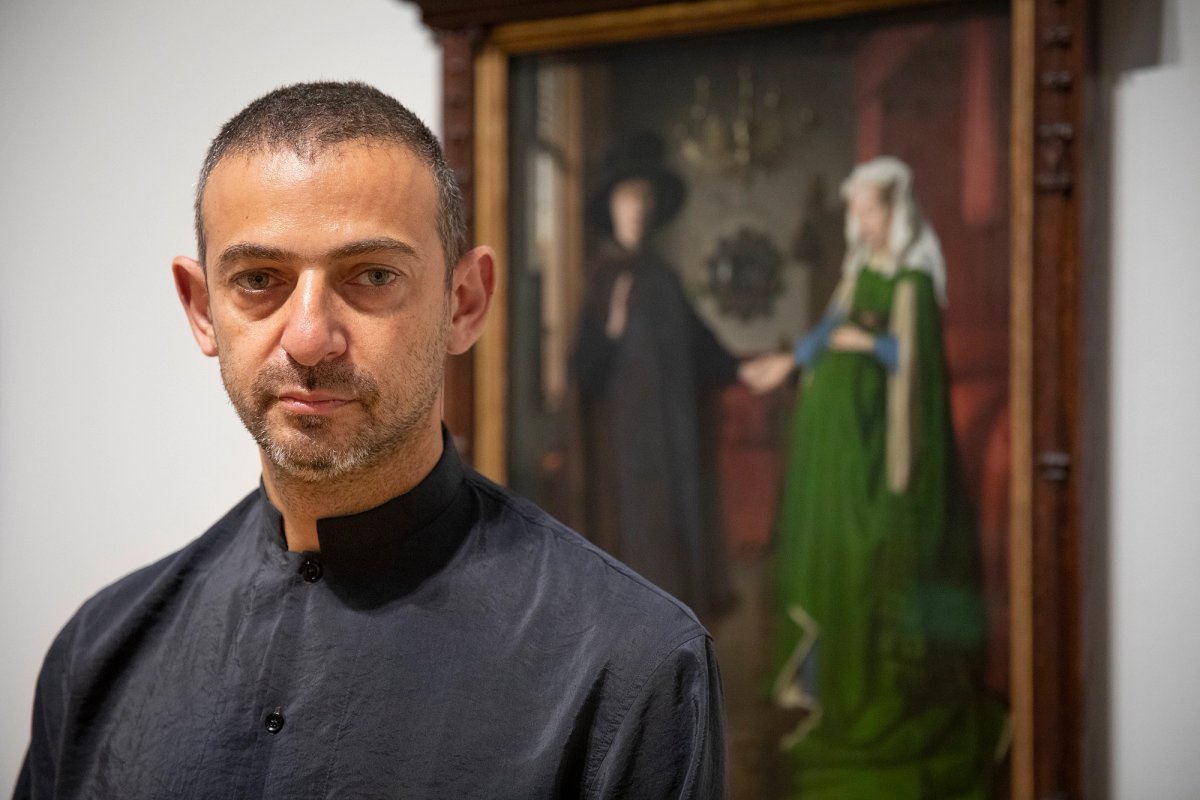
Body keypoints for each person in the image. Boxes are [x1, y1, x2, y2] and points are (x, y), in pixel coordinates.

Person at [14, 82, 726, 799]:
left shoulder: (631, 665)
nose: (309, 337)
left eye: (373, 275)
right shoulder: (95, 657)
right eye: (259, 279)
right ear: (202, 309)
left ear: (464, 302)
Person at [743, 157, 1006, 798]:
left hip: (878, 458)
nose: (860, 221)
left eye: (869, 209)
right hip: (835, 455)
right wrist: (787, 364)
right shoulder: (859, 270)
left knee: (868, 565)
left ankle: (880, 697)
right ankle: (830, 692)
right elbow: (829, 330)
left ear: (895, 209)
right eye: (856, 210)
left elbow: (915, 366)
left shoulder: (913, 280)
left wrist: (869, 346)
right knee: (832, 562)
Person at [570, 133, 740, 621]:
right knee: (640, 549)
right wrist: (612, 330)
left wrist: (748, 368)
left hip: (674, 439)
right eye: (628, 197)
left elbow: (703, 348)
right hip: (628, 447)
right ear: (612, 207)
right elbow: (583, 371)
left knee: (678, 548)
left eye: (646, 197)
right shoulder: (602, 278)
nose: (639, 208)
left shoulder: (663, 276)